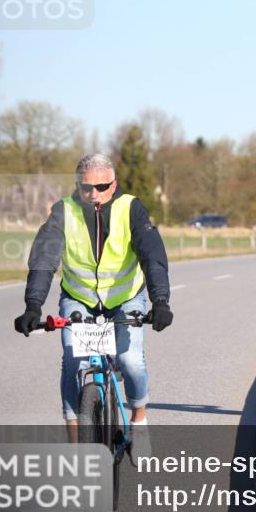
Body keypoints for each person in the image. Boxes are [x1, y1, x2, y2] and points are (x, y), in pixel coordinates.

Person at [13, 153, 172, 448]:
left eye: (101, 187)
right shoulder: (64, 211)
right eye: (86, 187)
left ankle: (139, 421)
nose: (93, 194)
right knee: (73, 361)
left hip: (125, 297)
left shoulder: (130, 208)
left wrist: (160, 300)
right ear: (78, 185)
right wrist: (33, 305)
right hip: (79, 298)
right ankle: (76, 444)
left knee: (129, 360)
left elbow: (152, 255)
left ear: (114, 185)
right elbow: (44, 259)